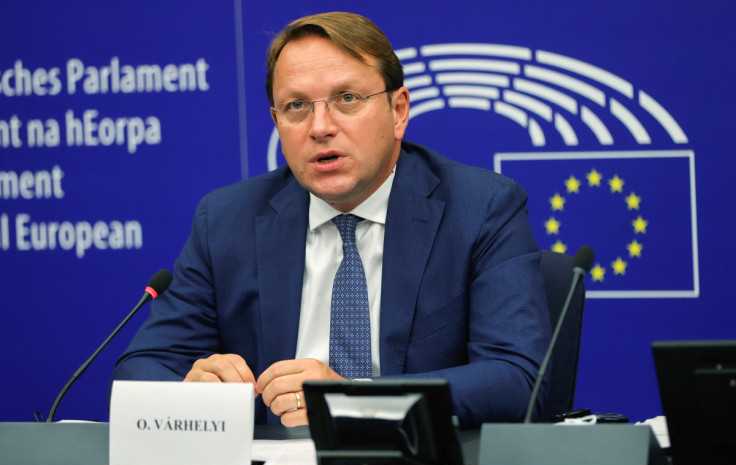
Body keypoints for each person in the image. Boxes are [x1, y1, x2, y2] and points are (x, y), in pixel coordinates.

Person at [110, 12, 551, 427]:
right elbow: (141, 369)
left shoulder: (479, 208)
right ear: (277, 122)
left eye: (347, 99)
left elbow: (516, 379)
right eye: (296, 106)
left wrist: (351, 401)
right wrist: (191, 390)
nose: (320, 126)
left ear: (398, 112)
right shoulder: (227, 220)